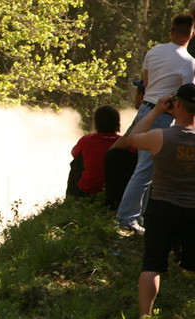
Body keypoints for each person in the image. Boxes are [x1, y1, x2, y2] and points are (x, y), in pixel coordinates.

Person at [112, 14, 195, 235]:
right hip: (164, 115)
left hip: (145, 110)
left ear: (171, 31)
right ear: (192, 34)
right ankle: (126, 219)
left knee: (148, 169)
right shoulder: (188, 62)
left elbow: (147, 83)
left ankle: (141, 217)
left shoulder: (154, 51)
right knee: (146, 171)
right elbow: (186, 98)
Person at [125, 83, 195, 318]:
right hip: (193, 210)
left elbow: (133, 138)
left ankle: (144, 317)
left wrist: (155, 111)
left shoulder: (160, 137)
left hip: (162, 208)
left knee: (152, 265)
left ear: (176, 104)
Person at [66, 105, 121, 197]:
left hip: (87, 190)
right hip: (115, 191)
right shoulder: (124, 142)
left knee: (76, 162)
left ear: (96, 123)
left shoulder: (86, 140)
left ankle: (71, 200)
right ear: (117, 123)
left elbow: (74, 153)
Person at [104, 81, 142, 210]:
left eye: (136, 93)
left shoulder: (147, 113)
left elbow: (126, 142)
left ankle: (114, 205)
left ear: (142, 96)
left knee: (114, 155)